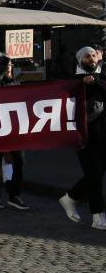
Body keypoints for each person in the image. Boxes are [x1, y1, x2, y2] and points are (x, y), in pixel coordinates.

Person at [59, 46, 106, 230]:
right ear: (80, 61)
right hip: (85, 137)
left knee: (95, 173)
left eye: (94, 55)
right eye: (87, 56)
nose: (91, 58)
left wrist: (95, 81)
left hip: (104, 136)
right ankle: (97, 215)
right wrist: (83, 83)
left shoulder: (100, 78)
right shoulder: (76, 81)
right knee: (94, 175)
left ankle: (70, 197)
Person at [0, 55, 28, 211]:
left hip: (15, 127)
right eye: (5, 65)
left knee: (19, 161)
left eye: (9, 64)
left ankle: (14, 195)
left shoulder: (15, 81)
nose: (8, 67)